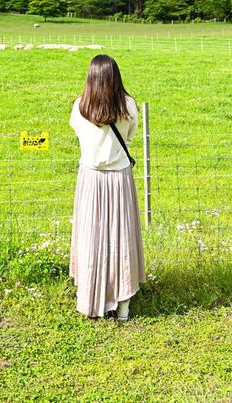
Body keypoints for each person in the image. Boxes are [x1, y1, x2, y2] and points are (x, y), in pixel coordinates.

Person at [69, 54, 145, 320]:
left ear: (90, 78)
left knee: (91, 237)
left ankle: (91, 298)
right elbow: (131, 135)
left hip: (91, 179)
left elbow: (79, 133)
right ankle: (123, 303)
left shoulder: (80, 106)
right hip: (119, 178)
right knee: (120, 238)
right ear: (116, 76)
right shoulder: (128, 105)